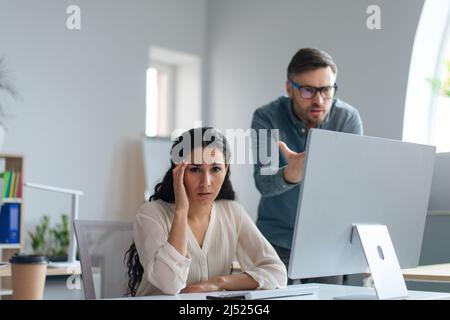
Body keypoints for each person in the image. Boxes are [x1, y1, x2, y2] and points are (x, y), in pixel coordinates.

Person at [125, 127, 287, 296]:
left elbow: (277, 272)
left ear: (226, 170)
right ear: (178, 171)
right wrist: (181, 211)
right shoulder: (150, 214)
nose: (206, 182)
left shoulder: (233, 212)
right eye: (195, 169)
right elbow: (170, 284)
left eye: (215, 169)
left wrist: (219, 282)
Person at [251, 48, 364, 284]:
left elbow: (351, 185)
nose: (319, 100)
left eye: (326, 89)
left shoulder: (348, 119)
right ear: (289, 88)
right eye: (307, 90)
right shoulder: (266, 117)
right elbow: (264, 184)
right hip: (277, 239)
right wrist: (290, 175)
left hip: (327, 241)